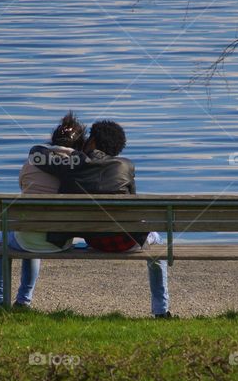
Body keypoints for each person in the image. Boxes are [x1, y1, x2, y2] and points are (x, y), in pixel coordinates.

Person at [28, 120, 172, 318]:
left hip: (93, 239)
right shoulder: (125, 166)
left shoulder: (74, 163)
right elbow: (133, 209)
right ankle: (161, 311)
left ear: (93, 142)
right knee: (158, 243)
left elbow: (37, 154)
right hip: (125, 242)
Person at [0, 112, 87, 313]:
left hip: (27, 237)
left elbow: (23, 187)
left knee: (6, 237)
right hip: (62, 242)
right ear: (80, 144)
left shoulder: (31, 162)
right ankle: (24, 301)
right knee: (35, 232)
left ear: (53, 139)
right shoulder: (80, 167)